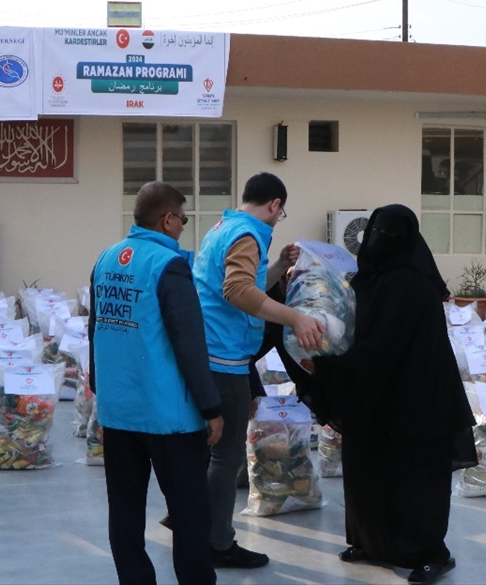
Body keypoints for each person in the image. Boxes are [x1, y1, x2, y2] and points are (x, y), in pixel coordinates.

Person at [306, 204, 478, 585]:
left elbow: (383, 347)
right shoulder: (365, 280)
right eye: (376, 232)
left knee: (415, 481)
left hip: (417, 401)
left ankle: (430, 553)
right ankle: (371, 542)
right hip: (374, 395)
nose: (380, 241)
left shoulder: (413, 287)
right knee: (367, 472)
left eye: (389, 235)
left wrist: (329, 368)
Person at [88, 181, 224, 585]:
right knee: (190, 514)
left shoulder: (106, 259)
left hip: (119, 414)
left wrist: (102, 396)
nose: (182, 226)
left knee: (125, 511)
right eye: (182, 219)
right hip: (169, 418)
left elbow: (95, 332)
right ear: (167, 220)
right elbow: (190, 344)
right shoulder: (169, 265)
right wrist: (211, 408)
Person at [192, 171, 324, 569]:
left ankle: (191, 524)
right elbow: (237, 291)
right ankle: (217, 543)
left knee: (208, 452)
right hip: (224, 357)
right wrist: (295, 318)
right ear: (275, 205)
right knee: (225, 456)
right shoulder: (248, 234)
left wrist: (280, 264)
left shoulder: (224, 227)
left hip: (209, 351)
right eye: (280, 214)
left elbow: (245, 284)